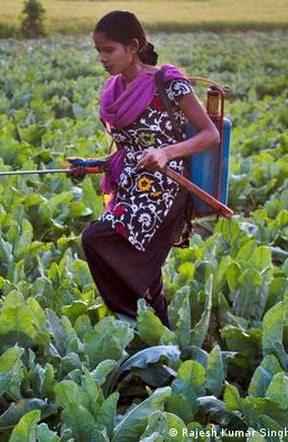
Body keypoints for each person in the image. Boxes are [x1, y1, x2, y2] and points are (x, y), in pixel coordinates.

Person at [70, 10, 219, 328]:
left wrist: (165, 153)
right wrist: (92, 166)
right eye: (98, 50)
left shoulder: (168, 84)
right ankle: (158, 333)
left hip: (164, 188)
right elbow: (129, 151)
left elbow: (210, 134)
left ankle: (129, 318)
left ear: (133, 46)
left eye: (108, 50)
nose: (101, 58)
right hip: (130, 187)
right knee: (148, 278)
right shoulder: (113, 91)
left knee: (97, 238)